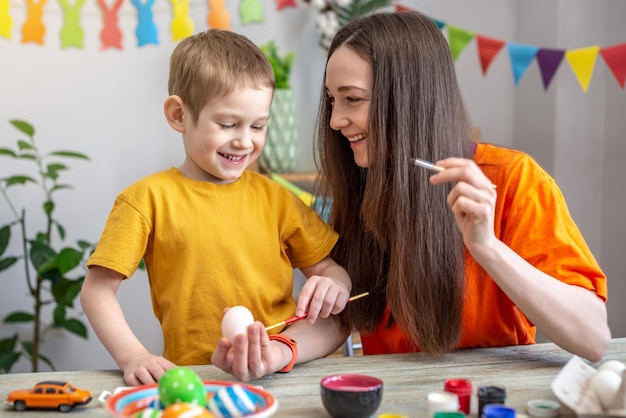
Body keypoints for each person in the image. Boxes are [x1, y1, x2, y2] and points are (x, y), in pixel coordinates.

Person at [211, 11, 610, 381]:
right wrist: (279, 352)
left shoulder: (514, 180)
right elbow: (344, 315)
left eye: (352, 99)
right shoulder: (360, 182)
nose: (335, 121)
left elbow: (592, 337)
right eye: (332, 100)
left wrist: (487, 247)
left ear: (408, 98)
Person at [80, 29, 351, 386]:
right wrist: (134, 356)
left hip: (285, 371)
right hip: (198, 380)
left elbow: (329, 269)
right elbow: (96, 291)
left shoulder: (278, 199)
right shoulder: (146, 200)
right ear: (179, 115)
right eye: (227, 124)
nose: (244, 140)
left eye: (258, 126)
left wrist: (335, 282)